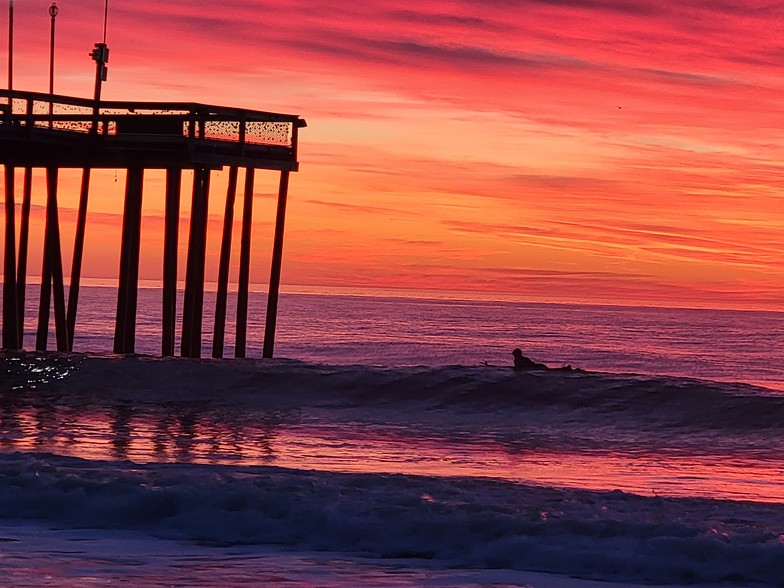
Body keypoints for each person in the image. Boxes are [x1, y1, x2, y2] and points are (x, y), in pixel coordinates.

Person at [512, 348, 577, 371]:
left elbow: (529, 366)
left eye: (515, 354)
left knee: (551, 371)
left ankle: (565, 369)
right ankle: (565, 369)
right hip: (536, 367)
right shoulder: (517, 360)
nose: (514, 356)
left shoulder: (524, 360)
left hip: (538, 367)